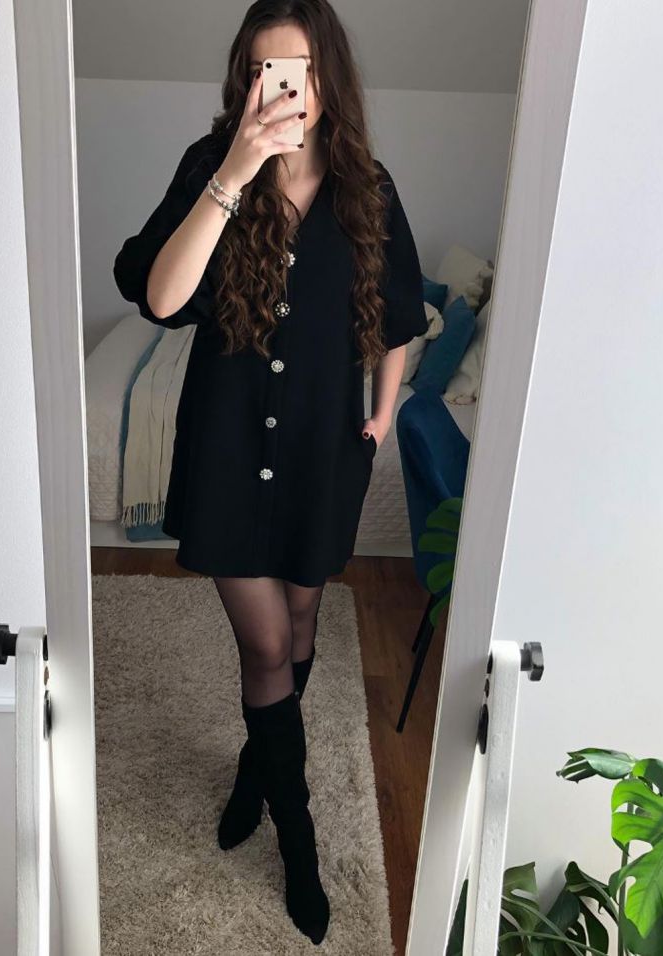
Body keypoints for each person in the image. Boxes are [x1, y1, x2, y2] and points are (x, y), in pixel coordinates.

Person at [113, 0, 427, 945]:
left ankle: (259, 769)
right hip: (228, 450)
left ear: (328, 78)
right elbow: (159, 296)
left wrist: (382, 414)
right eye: (261, 70)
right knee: (264, 646)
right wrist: (234, 172)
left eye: (295, 71)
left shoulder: (368, 186)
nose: (278, 89)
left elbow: (398, 314)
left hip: (320, 454)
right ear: (243, 79)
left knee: (301, 626)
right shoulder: (211, 165)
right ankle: (299, 841)